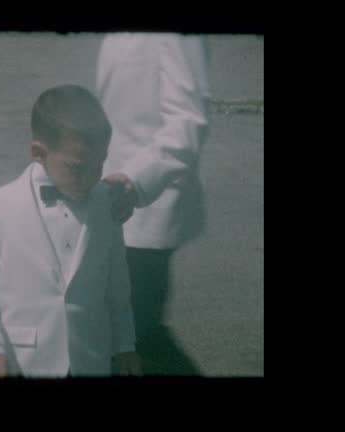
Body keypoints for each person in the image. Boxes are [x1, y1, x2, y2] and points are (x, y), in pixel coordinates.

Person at [0, 84, 141, 378]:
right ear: (38, 152)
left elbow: (117, 284)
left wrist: (125, 344)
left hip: (91, 357)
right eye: (78, 167)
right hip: (24, 360)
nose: (93, 177)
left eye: (100, 165)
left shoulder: (107, 204)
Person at [96, 33, 211, 374]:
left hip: (148, 208)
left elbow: (188, 121)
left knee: (135, 336)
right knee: (126, 335)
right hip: (114, 200)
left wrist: (136, 179)